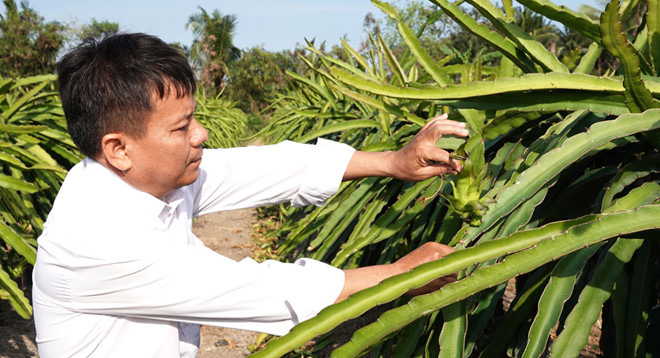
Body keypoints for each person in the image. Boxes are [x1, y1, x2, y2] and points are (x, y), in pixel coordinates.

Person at [32, 33, 468, 357]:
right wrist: (401, 275)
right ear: (119, 148)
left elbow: (264, 167)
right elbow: (257, 289)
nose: (200, 135)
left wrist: (393, 161)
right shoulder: (96, 242)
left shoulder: (142, 178)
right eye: (181, 127)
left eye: (194, 118)